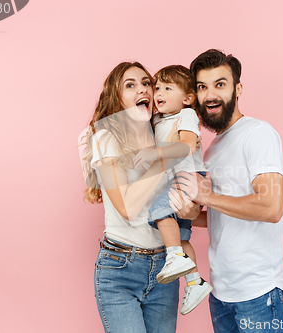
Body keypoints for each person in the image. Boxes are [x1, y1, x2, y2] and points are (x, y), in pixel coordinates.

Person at [168, 49, 283, 332]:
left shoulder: (257, 133)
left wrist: (206, 196)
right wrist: (185, 213)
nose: (210, 94)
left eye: (220, 84)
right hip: (221, 293)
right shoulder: (211, 150)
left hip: (258, 293)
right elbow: (222, 213)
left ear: (238, 89)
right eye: (202, 87)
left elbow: (271, 207)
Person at [80, 62, 182, 333]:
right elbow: (127, 207)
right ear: (117, 97)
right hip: (121, 268)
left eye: (146, 83)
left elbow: (175, 208)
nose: (143, 89)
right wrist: (167, 156)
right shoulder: (105, 138)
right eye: (131, 85)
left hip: (165, 268)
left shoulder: (163, 132)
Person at [133, 65, 213, 315]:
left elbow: (188, 145)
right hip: (172, 178)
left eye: (168, 88)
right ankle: (195, 282)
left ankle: (174, 256)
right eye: (157, 87)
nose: (159, 93)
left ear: (188, 98)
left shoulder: (186, 115)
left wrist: (154, 153)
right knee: (181, 236)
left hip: (187, 176)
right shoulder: (158, 119)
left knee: (158, 211)